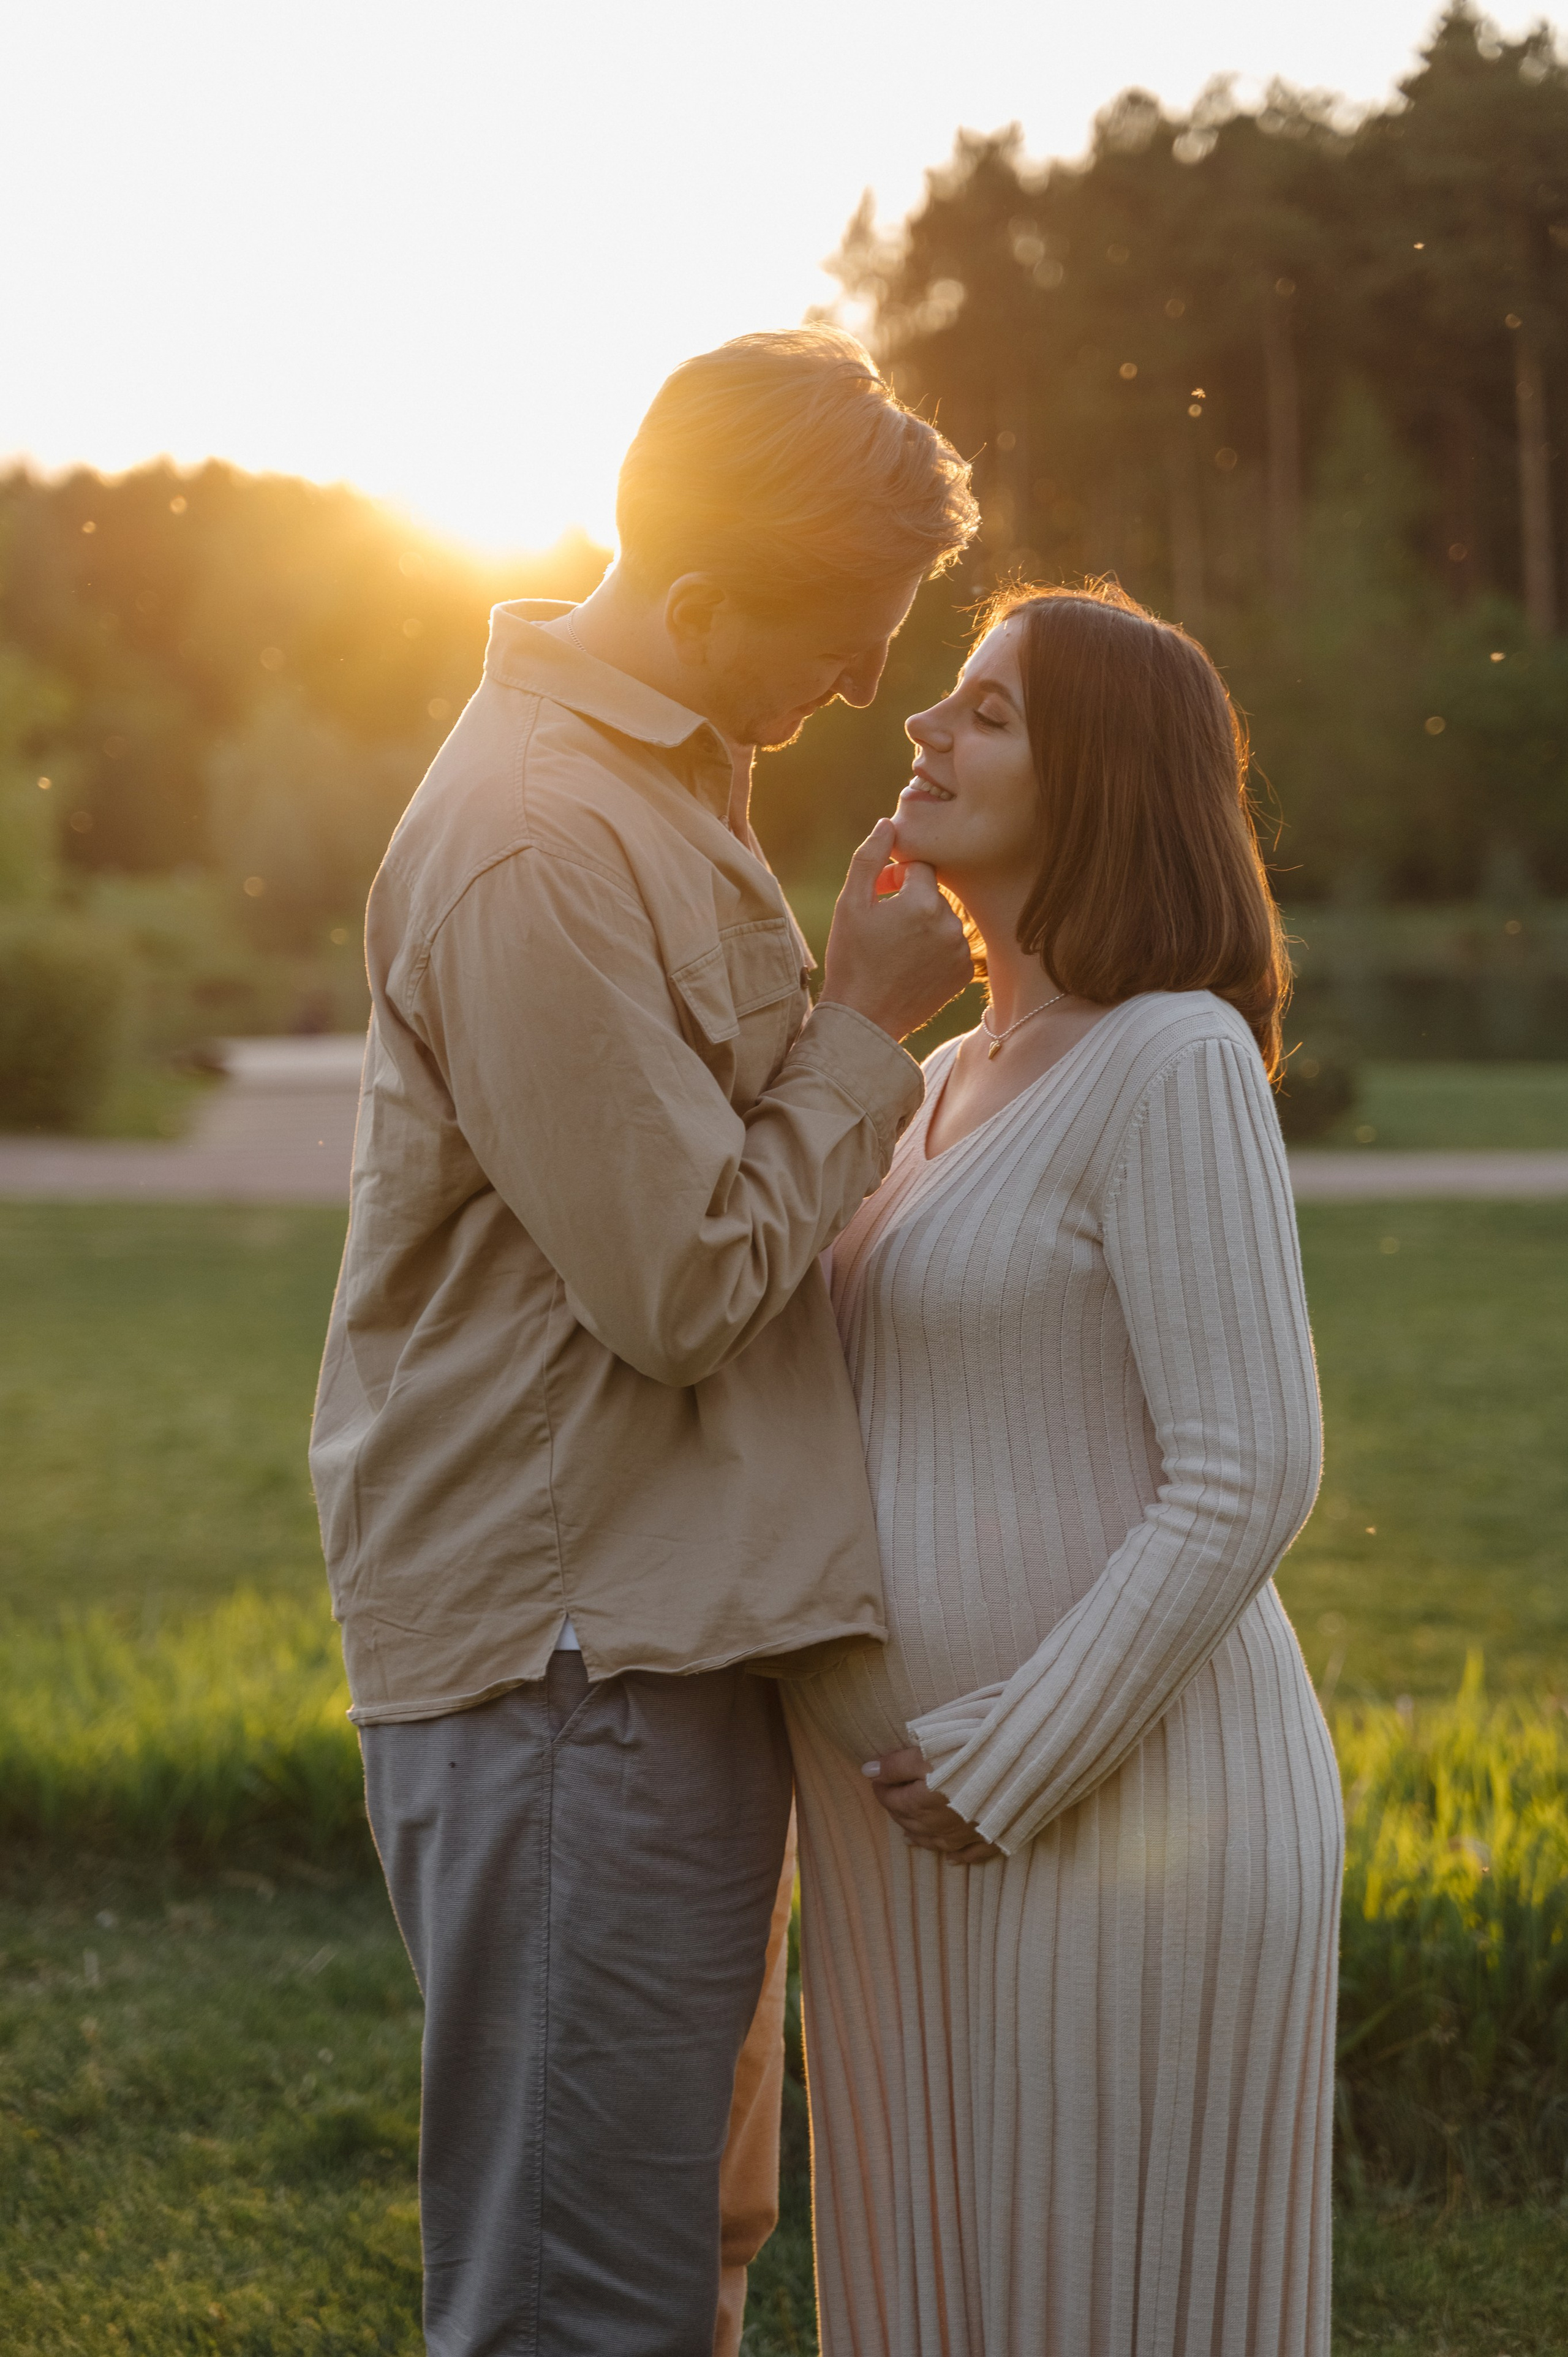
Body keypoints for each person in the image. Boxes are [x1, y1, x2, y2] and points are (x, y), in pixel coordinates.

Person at [308, 327, 978, 2356]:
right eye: (848, 634)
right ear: (695, 606)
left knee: (689, 2245)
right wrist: (866, 1022)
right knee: (575, 2304)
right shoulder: (539, 841)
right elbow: (682, 1279)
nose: (870, 684)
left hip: (655, 1633)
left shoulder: (658, 792)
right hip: (565, 1662)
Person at [785, 582, 1343, 2356]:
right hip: (902, 1844)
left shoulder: (1170, 1055)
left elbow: (1252, 1462)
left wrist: (1015, 1753)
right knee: (930, 2302)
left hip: (1126, 1819)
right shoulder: (940, 1078)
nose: (921, 734)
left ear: (1102, 779)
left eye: (987, 713)